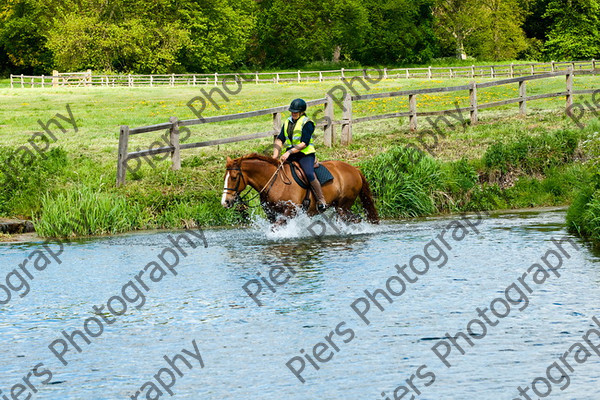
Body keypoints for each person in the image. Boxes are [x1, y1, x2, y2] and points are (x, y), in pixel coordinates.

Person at [272, 98, 327, 212]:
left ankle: (321, 200)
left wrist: (288, 152)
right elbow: (280, 139)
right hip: (291, 154)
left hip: (305, 154)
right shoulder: (287, 122)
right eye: (292, 111)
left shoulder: (308, 123)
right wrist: (275, 156)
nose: (293, 113)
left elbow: (304, 143)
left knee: (308, 173)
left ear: (302, 112)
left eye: (296, 112)